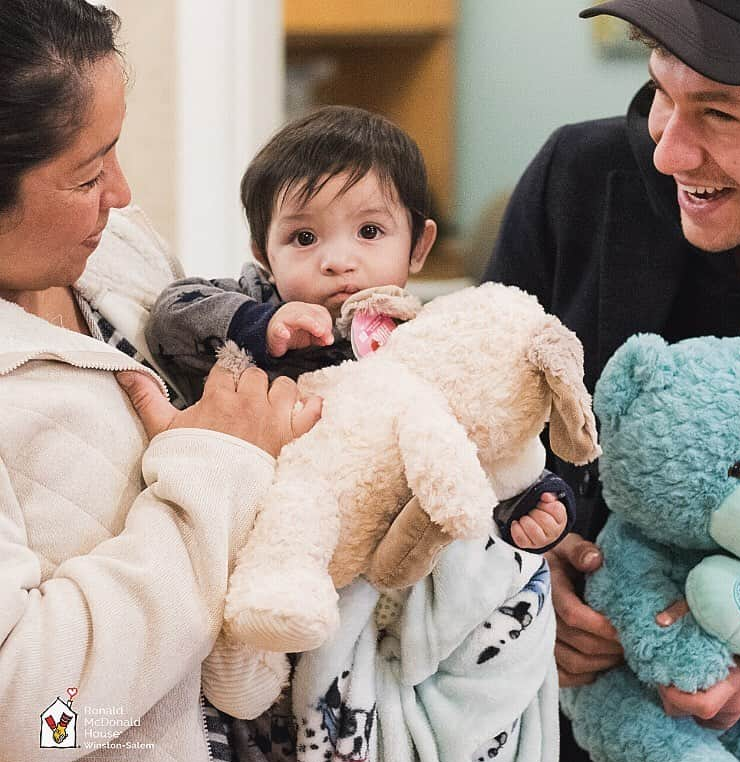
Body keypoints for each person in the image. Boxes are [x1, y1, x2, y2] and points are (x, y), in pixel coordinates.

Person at [0, 1, 322, 762]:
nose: (121, 192)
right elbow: (30, 722)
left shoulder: (115, 249)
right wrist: (215, 470)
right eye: (85, 174)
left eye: (113, 152)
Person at [483, 0, 740, 762]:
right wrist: (509, 570)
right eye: (663, 91)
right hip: (547, 728)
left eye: (719, 113)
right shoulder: (580, 181)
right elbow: (459, 427)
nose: (669, 151)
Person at [146, 104, 573, 553]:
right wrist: (262, 325)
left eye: (369, 231)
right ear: (264, 254)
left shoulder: (425, 337)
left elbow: (479, 427)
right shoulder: (258, 302)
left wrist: (528, 498)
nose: (338, 261)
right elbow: (170, 316)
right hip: (271, 523)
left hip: (379, 539)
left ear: (418, 246)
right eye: (304, 238)